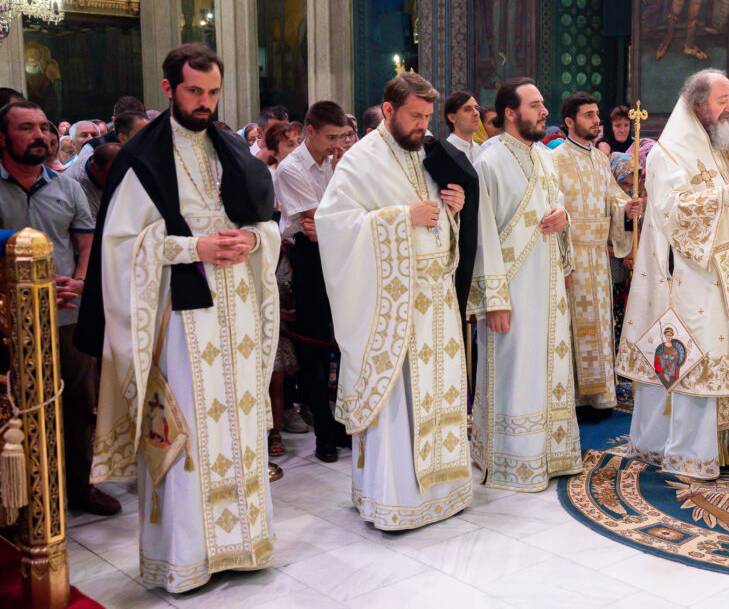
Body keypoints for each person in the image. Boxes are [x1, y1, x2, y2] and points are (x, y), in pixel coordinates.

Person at [77, 43, 279, 592]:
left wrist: (254, 237)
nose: (205, 103)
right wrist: (197, 249)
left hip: (235, 317)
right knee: (188, 434)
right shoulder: (141, 157)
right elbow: (121, 247)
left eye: (213, 93)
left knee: (235, 431)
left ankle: (241, 546)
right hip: (177, 319)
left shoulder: (231, 149)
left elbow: (268, 223)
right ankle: (185, 558)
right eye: (194, 91)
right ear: (168, 89)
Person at [616, 69, 729, 479]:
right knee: (695, 361)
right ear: (698, 103)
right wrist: (728, 194)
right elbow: (669, 211)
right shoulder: (669, 154)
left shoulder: (723, 151)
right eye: (722, 100)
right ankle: (684, 451)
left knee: (723, 356)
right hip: (689, 280)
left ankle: (726, 446)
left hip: (728, 275)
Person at [316, 72, 472, 529]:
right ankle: (395, 500)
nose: (424, 125)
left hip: (435, 303)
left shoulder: (424, 155)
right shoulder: (361, 160)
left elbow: (437, 223)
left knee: (437, 394)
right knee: (399, 403)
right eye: (415, 116)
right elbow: (334, 224)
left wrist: (453, 208)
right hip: (393, 307)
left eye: (427, 116)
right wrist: (401, 218)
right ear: (388, 111)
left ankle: (444, 492)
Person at [0, 101, 119, 516]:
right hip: (10, 319)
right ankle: (18, 501)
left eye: (44, 128)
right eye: (26, 128)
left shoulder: (67, 186)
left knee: (79, 402)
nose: (40, 136)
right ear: (2, 138)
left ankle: (80, 487)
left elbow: (85, 243)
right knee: (15, 409)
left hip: (67, 312)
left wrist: (82, 280)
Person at [469, 77, 582, 491]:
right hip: (512, 293)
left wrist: (564, 219)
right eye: (535, 105)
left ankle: (551, 453)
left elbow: (555, 209)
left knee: (548, 367)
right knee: (516, 371)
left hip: (548, 285)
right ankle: (512, 459)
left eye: (542, 104)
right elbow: (480, 234)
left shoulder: (546, 158)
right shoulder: (489, 161)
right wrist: (494, 299)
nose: (544, 111)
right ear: (510, 113)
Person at [550, 92, 644, 415]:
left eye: (596, 114)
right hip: (571, 254)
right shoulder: (555, 159)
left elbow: (613, 198)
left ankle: (600, 396)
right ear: (569, 122)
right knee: (574, 325)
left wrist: (626, 207)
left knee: (601, 324)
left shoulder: (601, 160)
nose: (596, 121)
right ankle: (576, 397)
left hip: (598, 259)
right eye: (588, 115)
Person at [273, 101, 346, 462]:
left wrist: (339, 220)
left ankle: (343, 424)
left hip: (340, 248)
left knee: (344, 339)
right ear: (309, 131)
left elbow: (339, 215)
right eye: (329, 137)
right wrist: (343, 218)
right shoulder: (291, 167)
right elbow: (312, 221)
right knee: (315, 344)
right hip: (307, 257)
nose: (335, 144)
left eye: (341, 137)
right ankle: (324, 434)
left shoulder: (337, 162)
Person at [65, 142, 121, 218]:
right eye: (112, 175)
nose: (117, 180)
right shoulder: (77, 189)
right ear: (93, 167)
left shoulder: (89, 150)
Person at [443, 90, 482, 163]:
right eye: (467, 109)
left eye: (476, 108)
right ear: (452, 118)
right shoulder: (446, 153)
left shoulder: (479, 150)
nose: (476, 113)